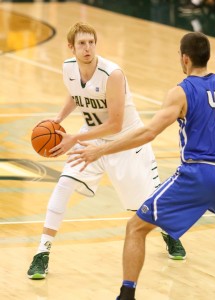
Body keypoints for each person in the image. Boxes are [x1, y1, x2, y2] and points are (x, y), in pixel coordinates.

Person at [70, 31, 215, 300]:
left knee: (136, 228)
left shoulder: (181, 92)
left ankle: (126, 295)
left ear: (184, 59)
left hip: (197, 173)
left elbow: (148, 133)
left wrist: (101, 150)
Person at [27, 22, 186, 280]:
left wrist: (74, 137)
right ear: (71, 47)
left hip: (125, 142)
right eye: (81, 43)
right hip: (91, 139)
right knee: (63, 185)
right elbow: (74, 94)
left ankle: (169, 232)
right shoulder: (68, 68)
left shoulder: (112, 74)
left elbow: (115, 123)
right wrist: (57, 121)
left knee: (144, 207)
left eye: (91, 42)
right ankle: (42, 252)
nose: (87, 48)